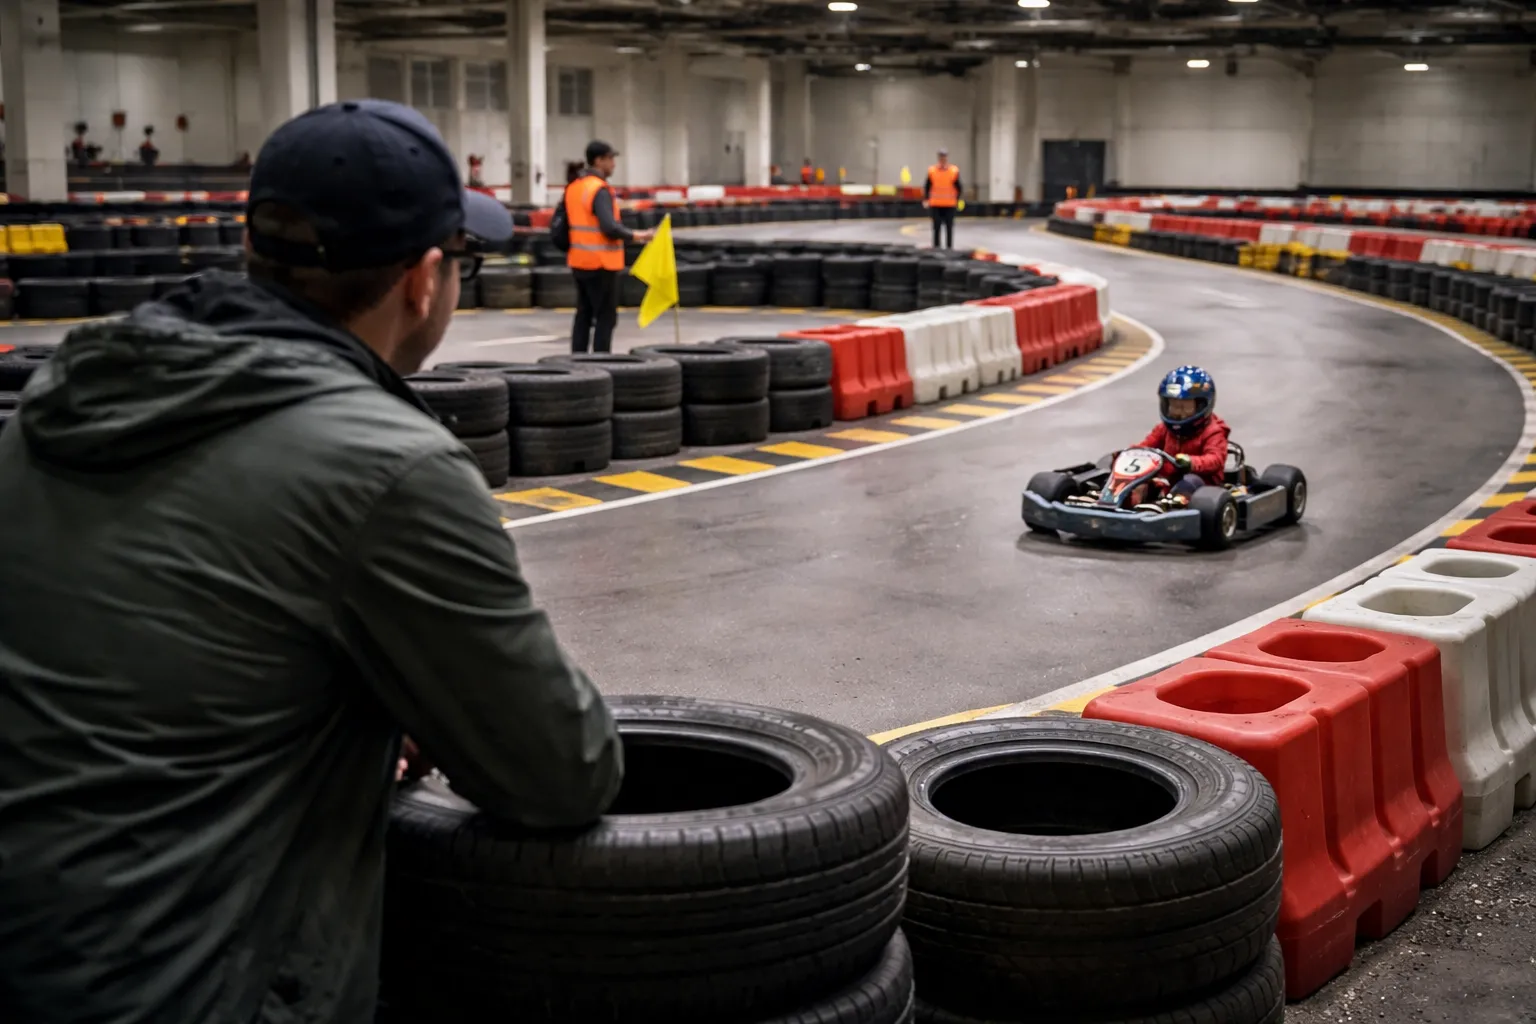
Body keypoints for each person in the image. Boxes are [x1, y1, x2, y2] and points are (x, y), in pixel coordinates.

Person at [0, 99, 624, 1024]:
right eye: (464, 264)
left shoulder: (61, 399)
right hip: (186, 986)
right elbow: (560, 772)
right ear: (422, 281)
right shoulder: (388, 466)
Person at [555, 139, 653, 354]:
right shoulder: (599, 190)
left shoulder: (574, 187)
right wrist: (639, 235)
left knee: (583, 314)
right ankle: (601, 361)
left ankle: (577, 360)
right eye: (610, 159)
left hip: (579, 262)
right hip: (601, 264)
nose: (614, 165)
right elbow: (609, 227)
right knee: (606, 318)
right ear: (599, 161)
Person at [1133, 365, 1229, 505]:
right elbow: (1145, 447)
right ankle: (1126, 504)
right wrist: (1129, 454)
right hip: (1169, 479)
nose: (1178, 412)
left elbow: (1215, 459)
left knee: (1189, 481)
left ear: (1202, 406)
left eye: (1184, 407)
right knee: (1139, 478)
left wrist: (1191, 462)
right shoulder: (1164, 429)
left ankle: (1171, 510)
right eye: (1174, 406)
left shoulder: (1213, 431)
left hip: (1203, 485)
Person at [925, 148, 961, 249]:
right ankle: (936, 248)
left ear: (947, 158)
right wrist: (926, 199)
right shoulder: (932, 171)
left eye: (944, 156)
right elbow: (927, 186)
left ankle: (949, 248)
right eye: (941, 156)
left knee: (949, 228)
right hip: (935, 204)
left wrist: (957, 199)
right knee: (936, 228)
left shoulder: (953, 171)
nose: (943, 158)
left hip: (950, 204)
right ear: (938, 158)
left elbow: (959, 187)